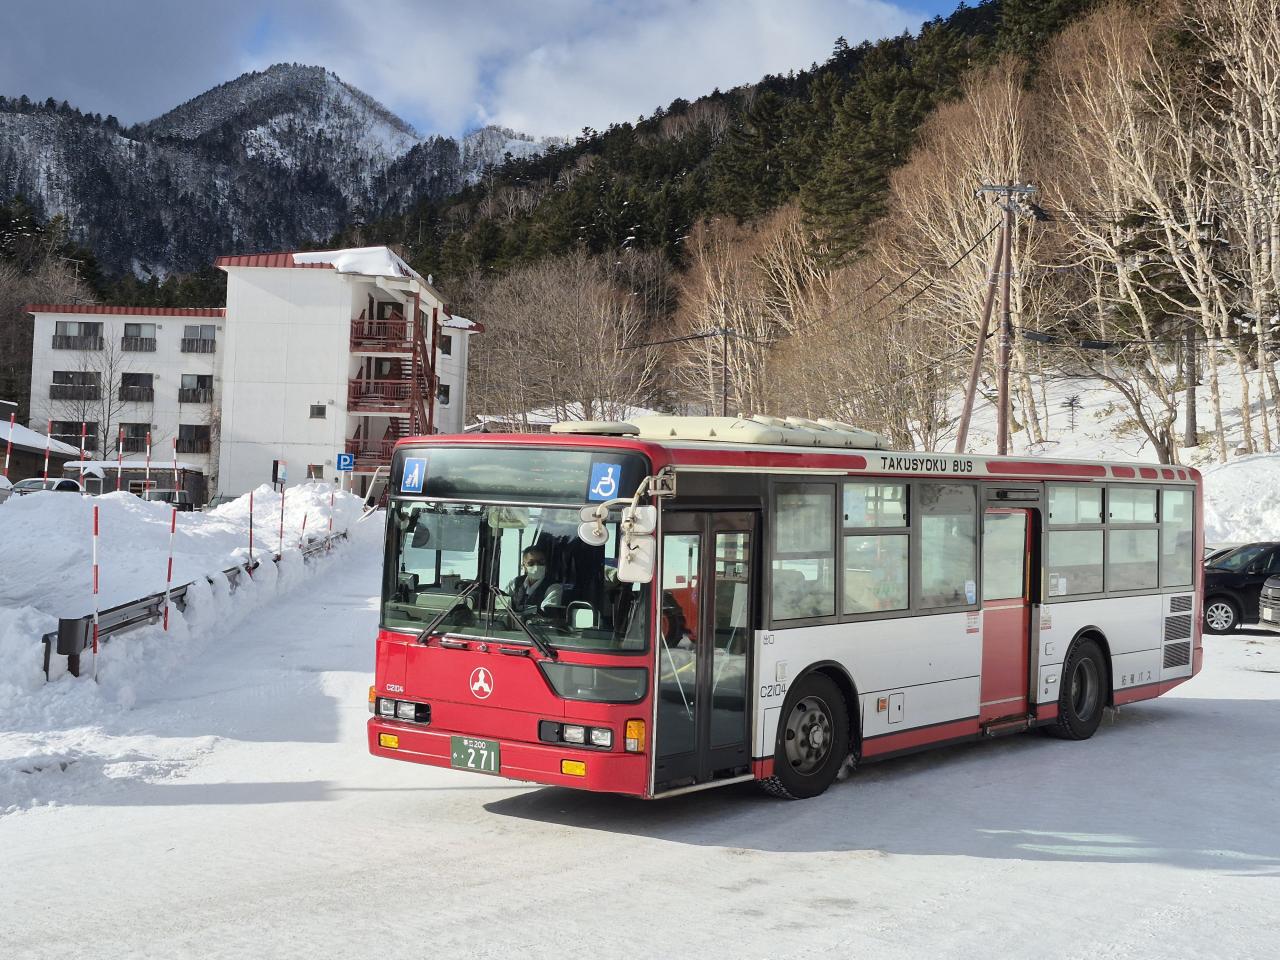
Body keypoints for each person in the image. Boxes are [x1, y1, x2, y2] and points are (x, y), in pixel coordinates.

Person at [507, 547, 563, 618]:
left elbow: (547, 613)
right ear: (524, 566)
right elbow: (501, 602)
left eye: (541, 562)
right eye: (531, 563)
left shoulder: (554, 587)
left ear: (546, 565)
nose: (536, 567)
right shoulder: (515, 583)